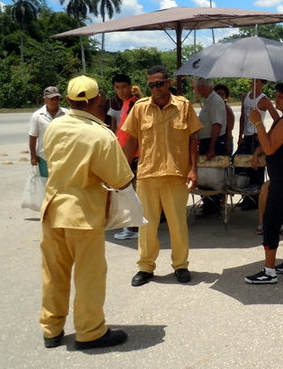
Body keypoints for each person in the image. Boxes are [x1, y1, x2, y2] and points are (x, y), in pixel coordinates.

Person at [40, 75, 133, 350]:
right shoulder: (101, 135)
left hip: (52, 210)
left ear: (68, 100)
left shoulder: (54, 128)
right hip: (82, 214)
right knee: (88, 275)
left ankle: (52, 329)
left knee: (53, 274)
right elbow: (122, 180)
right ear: (99, 100)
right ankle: (90, 331)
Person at [121, 65, 202, 287]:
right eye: (151, 85)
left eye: (159, 83)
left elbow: (193, 140)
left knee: (178, 224)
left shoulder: (183, 106)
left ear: (168, 83)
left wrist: (194, 169)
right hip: (147, 175)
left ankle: (181, 265)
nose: (155, 88)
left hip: (176, 175)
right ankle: (145, 267)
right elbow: (132, 142)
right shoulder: (140, 108)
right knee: (146, 224)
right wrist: (121, 172)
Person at [245, 81, 283, 284]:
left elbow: (270, 148)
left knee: (271, 221)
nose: (276, 99)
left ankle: (269, 271)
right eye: (277, 95)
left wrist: (258, 123)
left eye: (281, 96)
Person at [236, 79, 279, 209]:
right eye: (252, 81)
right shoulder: (245, 97)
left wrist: (267, 134)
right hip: (247, 136)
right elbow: (243, 116)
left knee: (257, 168)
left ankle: (255, 200)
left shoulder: (264, 99)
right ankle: (246, 197)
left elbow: (276, 118)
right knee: (243, 167)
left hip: (257, 136)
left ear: (262, 84)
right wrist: (240, 135)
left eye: (257, 81)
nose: (253, 83)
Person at [193, 77, 228, 217]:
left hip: (213, 142)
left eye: (197, 88)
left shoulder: (215, 101)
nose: (197, 91)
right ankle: (208, 205)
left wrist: (211, 147)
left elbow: (217, 125)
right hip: (205, 141)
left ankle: (213, 207)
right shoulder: (208, 100)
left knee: (212, 175)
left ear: (203, 87)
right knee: (205, 175)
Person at [113, 75, 141, 240]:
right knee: (128, 192)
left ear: (131, 87)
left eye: (123, 87)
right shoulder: (125, 104)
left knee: (130, 192)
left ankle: (133, 228)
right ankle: (132, 226)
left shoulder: (133, 104)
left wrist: (127, 158)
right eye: (117, 87)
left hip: (132, 155)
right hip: (124, 153)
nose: (120, 90)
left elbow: (133, 135)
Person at [28, 86, 68, 177]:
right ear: (45, 99)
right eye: (52, 99)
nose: (55, 101)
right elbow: (33, 137)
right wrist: (33, 156)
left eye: (57, 98)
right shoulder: (37, 116)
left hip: (63, 156)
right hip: (44, 156)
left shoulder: (67, 114)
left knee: (62, 183)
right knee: (45, 184)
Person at [213, 83, 235, 155]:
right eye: (218, 93)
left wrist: (227, 146)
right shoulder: (213, 107)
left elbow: (229, 129)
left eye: (222, 94)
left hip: (224, 140)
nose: (220, 96)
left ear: (225, 96)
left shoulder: (227, 109)